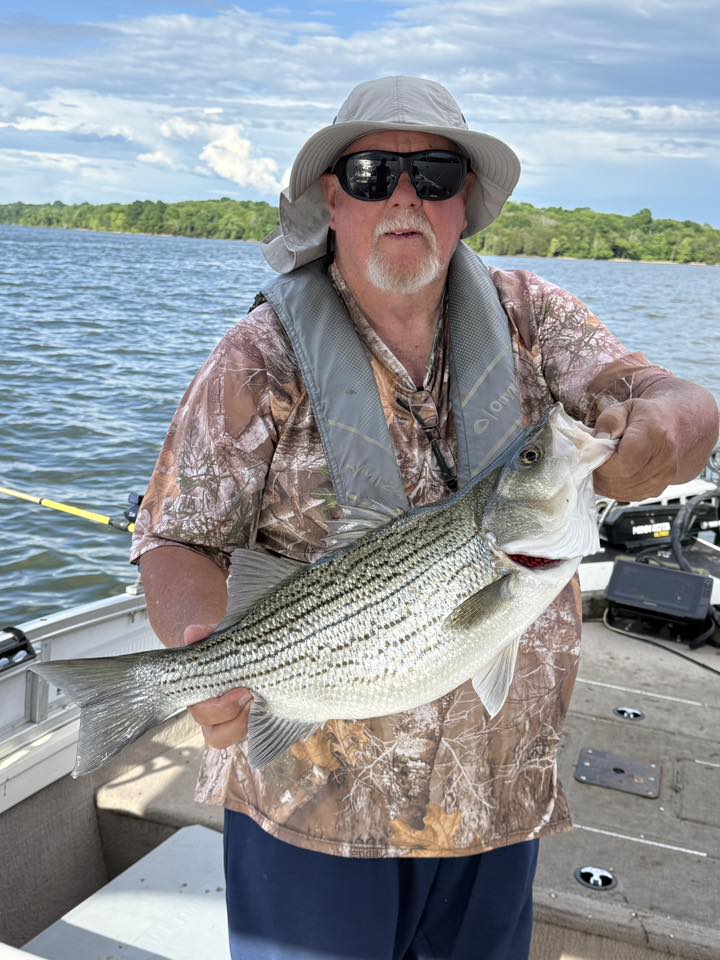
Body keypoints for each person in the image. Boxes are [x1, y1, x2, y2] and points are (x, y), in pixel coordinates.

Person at [131, 76, 719, 960]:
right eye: (372, 173)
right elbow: (175, 534)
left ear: (464, 201)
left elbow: (666, 396)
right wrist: (200, 650)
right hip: (312, 808)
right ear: (332, 198)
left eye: (435, 174)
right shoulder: (257, 356)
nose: (405, 196)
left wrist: (673, 424)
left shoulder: (532, 316)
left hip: (499, 798)